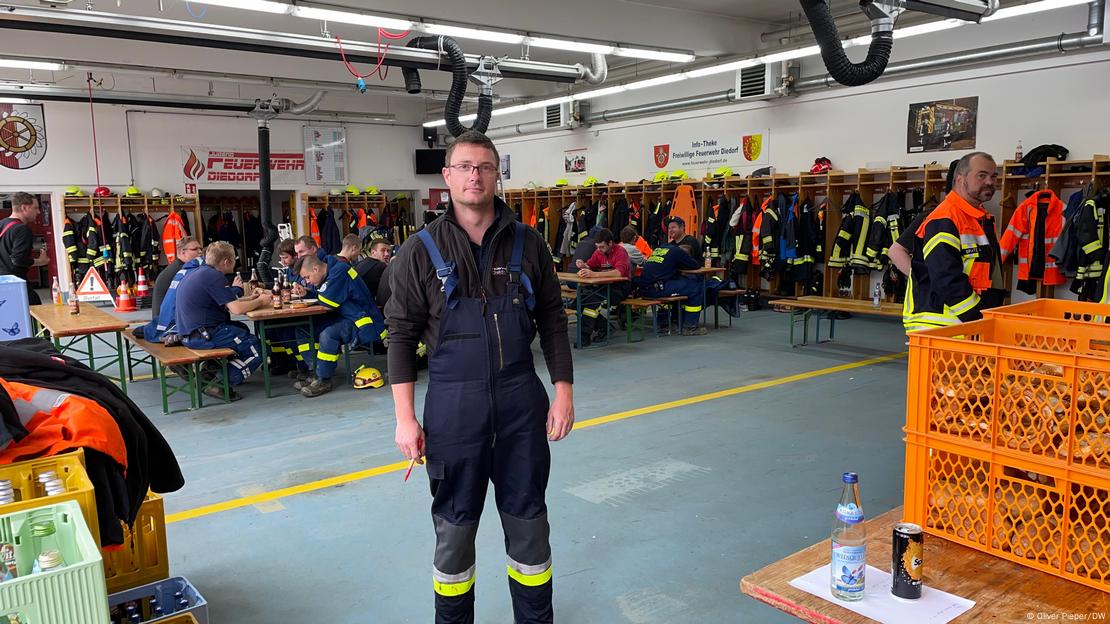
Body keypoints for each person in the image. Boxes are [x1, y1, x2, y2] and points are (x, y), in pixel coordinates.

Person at [387, 130, 574, 624]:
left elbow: (554, 319)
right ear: (447, 177)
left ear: (497, 174)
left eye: (485, 166)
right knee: (454, 534)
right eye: (465, 166)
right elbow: (401, 336)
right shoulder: (418, 251)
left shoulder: (529, 243)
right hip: (452, 413)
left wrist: (562, 393)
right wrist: (405, 419)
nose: (475, 175)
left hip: (520, 406)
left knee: (529, 526)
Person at [903, 152, 1003, 332]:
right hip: (941, 327)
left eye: (993, 176)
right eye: (981, 175)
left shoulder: (979, 219)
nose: (990, 181)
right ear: (959, 179)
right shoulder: (945, 218)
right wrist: (976, 318)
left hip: (961, 325)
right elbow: (946, 278)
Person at [175, 241, 271, 400]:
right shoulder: (214, 277)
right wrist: (261, 301)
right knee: (257, 348)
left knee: (241, 329)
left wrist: (251, 298)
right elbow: (236, 309)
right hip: (204, 334)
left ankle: (208, 373)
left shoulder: (201, 272)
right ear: (227, 261)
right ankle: (222, 383)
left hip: (190, 333)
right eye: (235, 259)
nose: (236, 262)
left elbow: (229, 303)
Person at [291, 253, 387, 398]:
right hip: (344, 317)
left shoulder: (340, 271)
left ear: (316, 269)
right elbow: (325, 295)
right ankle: (314, 372)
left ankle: (323, 380)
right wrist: (307, 293)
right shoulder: (330, 272)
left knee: (329, 334)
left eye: (307, 277)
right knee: (303, 328)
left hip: (363, 323)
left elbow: (328, 302)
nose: (307, 282)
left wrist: (311, 293)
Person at [633, 243, 708, 336]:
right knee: (695, 287)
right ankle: (690, 327)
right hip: (657, 290)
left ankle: (670, 322)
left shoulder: (660, 249)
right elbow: (695, 266)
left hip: (644, 289)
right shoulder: (678, 252)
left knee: (680, 285)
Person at [574, 228, 631, 345]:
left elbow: (619, 273)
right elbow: (590, 265)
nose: (599, 250)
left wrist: (594, 274)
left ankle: (584, 335)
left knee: (591, 300)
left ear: (610, 243)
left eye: (602, 247)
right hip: (603, 286)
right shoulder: (598, 252)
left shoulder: (621, 252)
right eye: (597, 247)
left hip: (620, 287)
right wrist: (583, 265)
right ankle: (605, 327)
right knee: (577, 301)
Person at [0, 193, 49, 305]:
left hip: (2, 285)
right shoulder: (21, 229)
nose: (39, 212)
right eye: (36, 208)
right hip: (15, 285)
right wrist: (41, 261)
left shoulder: (2, 224)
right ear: (24, 208)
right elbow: (18, 260)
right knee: (35, 311)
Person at [152, 236, 202, 316]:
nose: (200, 252)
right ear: (183, 252)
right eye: (195, 249)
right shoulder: (182, 271)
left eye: (200, 249)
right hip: (167, 322)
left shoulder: (178, 267)